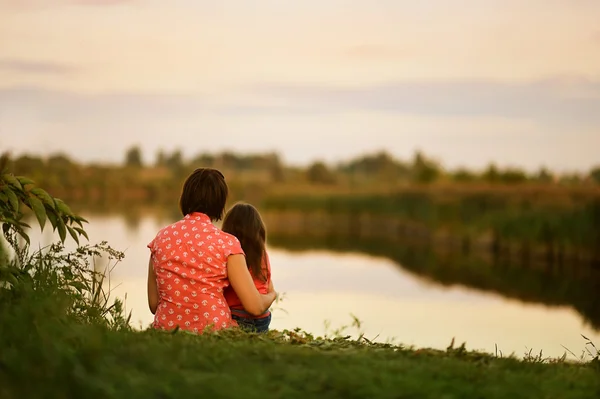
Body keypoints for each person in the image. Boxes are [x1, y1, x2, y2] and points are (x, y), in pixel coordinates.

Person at [146, 168, 277, 333]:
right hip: (212, 330)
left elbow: (153, 304)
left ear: (185, 198)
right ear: (220, 204)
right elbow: (255, 307)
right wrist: (272, 295)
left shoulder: (161, 238)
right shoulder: (227, 244)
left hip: (166, 329)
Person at [222, 202, 273, 333]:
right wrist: (273, 294)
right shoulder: (262, 254)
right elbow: (267, 285)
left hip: (238, 317)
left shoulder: (231, 255)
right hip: (263, 318)